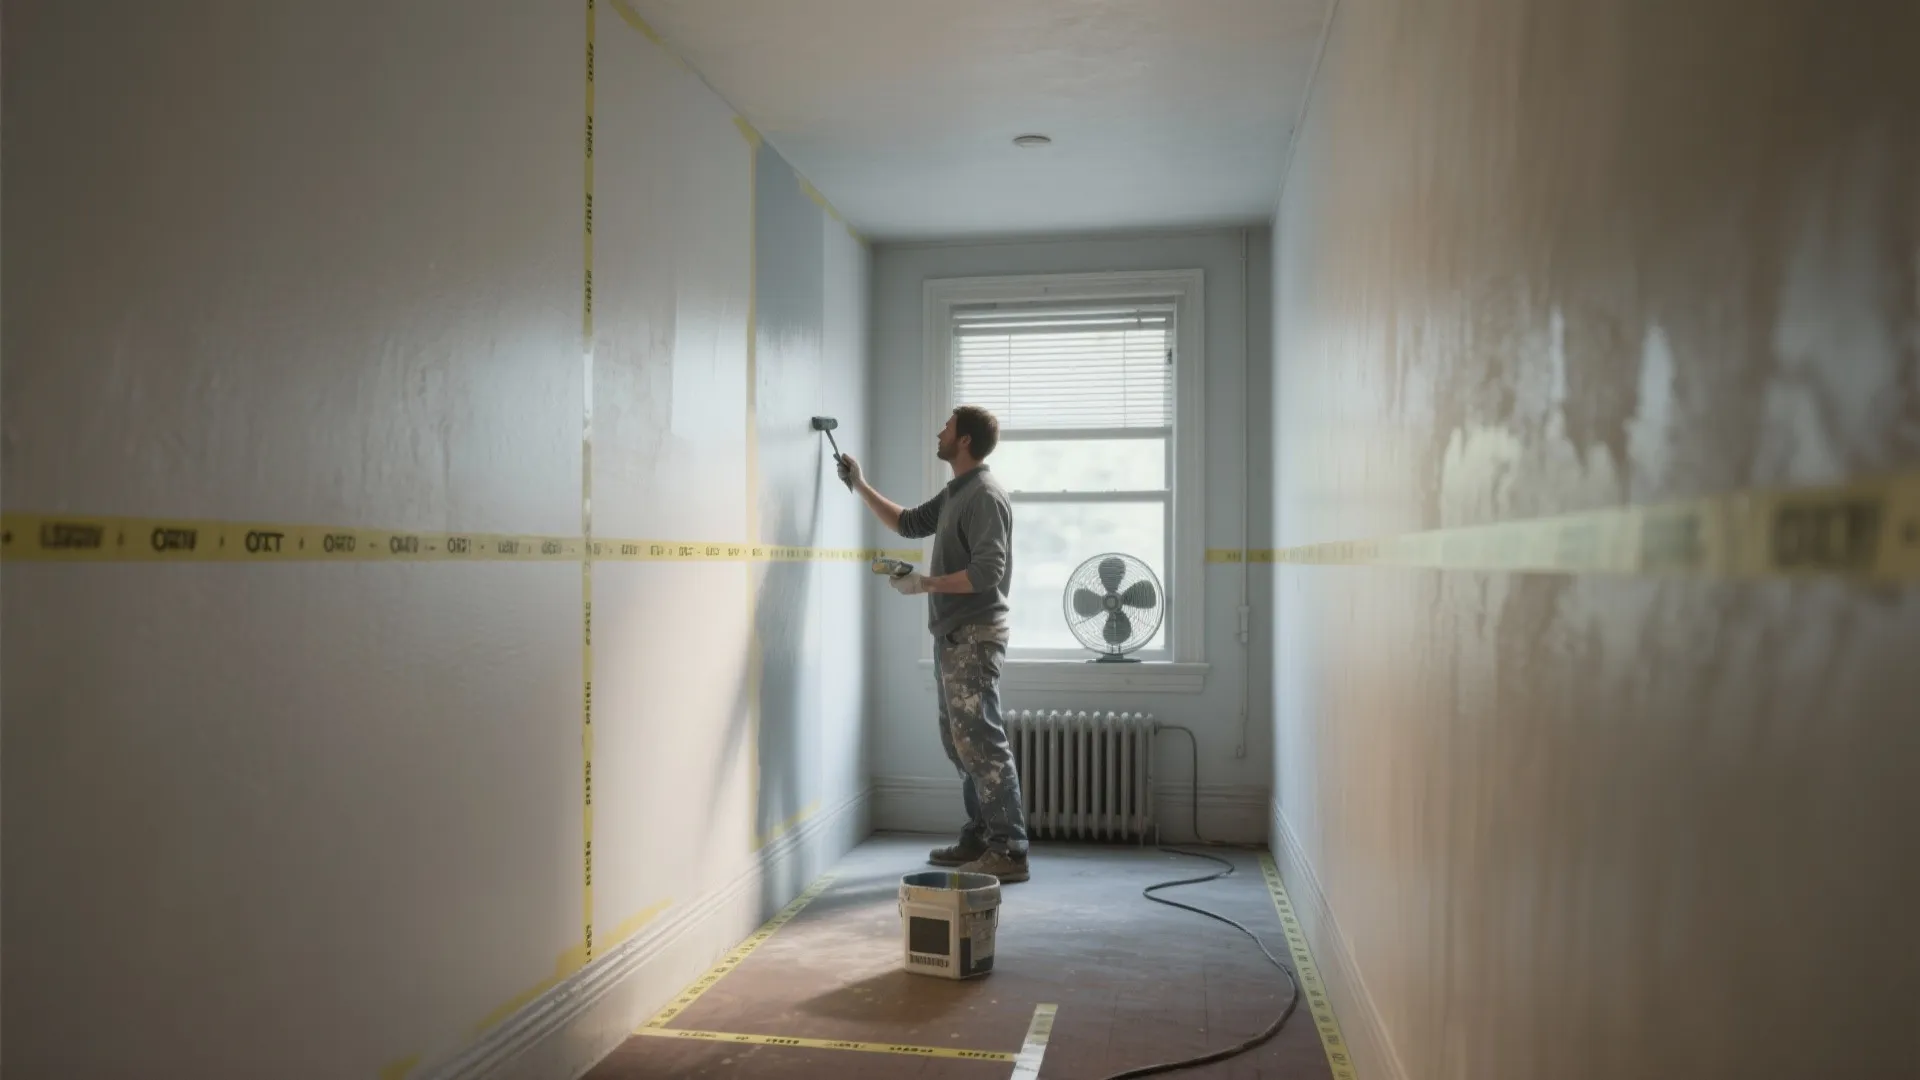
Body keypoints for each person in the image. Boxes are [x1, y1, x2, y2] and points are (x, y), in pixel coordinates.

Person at [835, 405, 1029, 883]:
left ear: (964, 441)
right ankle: (981, 836)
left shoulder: (984, 496)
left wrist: (925, 584)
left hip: (975, 635)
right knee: (959, 741)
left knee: (980, 741)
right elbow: (907, 523)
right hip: (954, 635)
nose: (938, 432)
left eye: (946, 427)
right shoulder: (957, 492)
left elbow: (988, 574)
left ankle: (1009, 848)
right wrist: (858, 484)